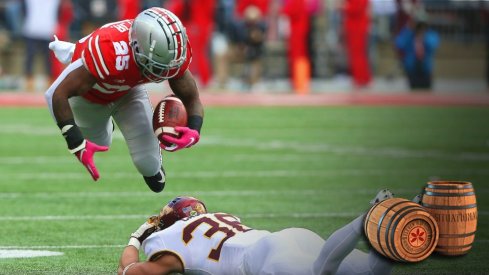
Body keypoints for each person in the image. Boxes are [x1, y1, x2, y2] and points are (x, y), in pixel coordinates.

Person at [44, 7, 204, 193]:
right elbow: (56, 94)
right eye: (159, 66)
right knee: (101, 143)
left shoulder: (170, 52)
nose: (166, 74)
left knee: (149, 166)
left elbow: (192, 98)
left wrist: (194, 129)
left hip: (129, 92)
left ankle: (152, 165)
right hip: (89, 99)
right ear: (137, 47)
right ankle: (106, 126)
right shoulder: (109, 50)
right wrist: (76, 143)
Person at [118, 192, 396, 275]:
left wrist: (137, 236)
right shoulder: (222, 217)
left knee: (323, 271)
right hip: (290, 237)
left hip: (264, 259)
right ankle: (386, 218)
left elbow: (129, 272)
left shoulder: (171, 238)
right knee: (371, 270)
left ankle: (366, 219)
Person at [395, 12, 439, 90]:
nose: (420, 27)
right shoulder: (408, 34)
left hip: (426, 67)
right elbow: (400, 44)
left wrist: (424, 35)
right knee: (413, 88)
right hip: (411, 67)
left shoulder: (431, 34)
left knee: (426, 88)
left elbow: (433, 45)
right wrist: (409, 29)